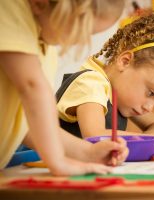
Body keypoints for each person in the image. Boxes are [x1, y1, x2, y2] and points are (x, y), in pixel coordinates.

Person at [0, 0, 128, 176]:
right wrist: (58, 161)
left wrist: (88, 153)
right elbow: (33, 88)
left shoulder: (44, 48)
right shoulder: (8, 9)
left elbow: (26, 126)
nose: (82, 40)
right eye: (82, 29)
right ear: (40, 3)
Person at [56, 8, 154, 153]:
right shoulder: (91, 83)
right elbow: (95, 136)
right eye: (151, 93)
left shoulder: (119, 96)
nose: (149, 108)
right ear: (125, 62)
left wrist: (143, 145)